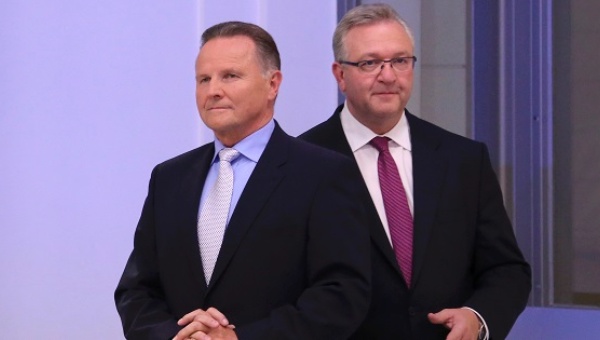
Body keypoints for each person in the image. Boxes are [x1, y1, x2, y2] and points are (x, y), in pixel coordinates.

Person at [115, 21, 371, 340]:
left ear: (273, 84)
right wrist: (173, 336)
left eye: (230, 76)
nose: (213, 91)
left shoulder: (323, 173)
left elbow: (341, 296)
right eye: (203, 79)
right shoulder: (169, 178)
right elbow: (136, 291)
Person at [300, 4, 531, 339]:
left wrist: (477, 317)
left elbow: (507, 269)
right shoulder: (300, 162)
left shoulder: (463, 159)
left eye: (400, 61)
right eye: (370, 63)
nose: (388, 76)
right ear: (340, 74)